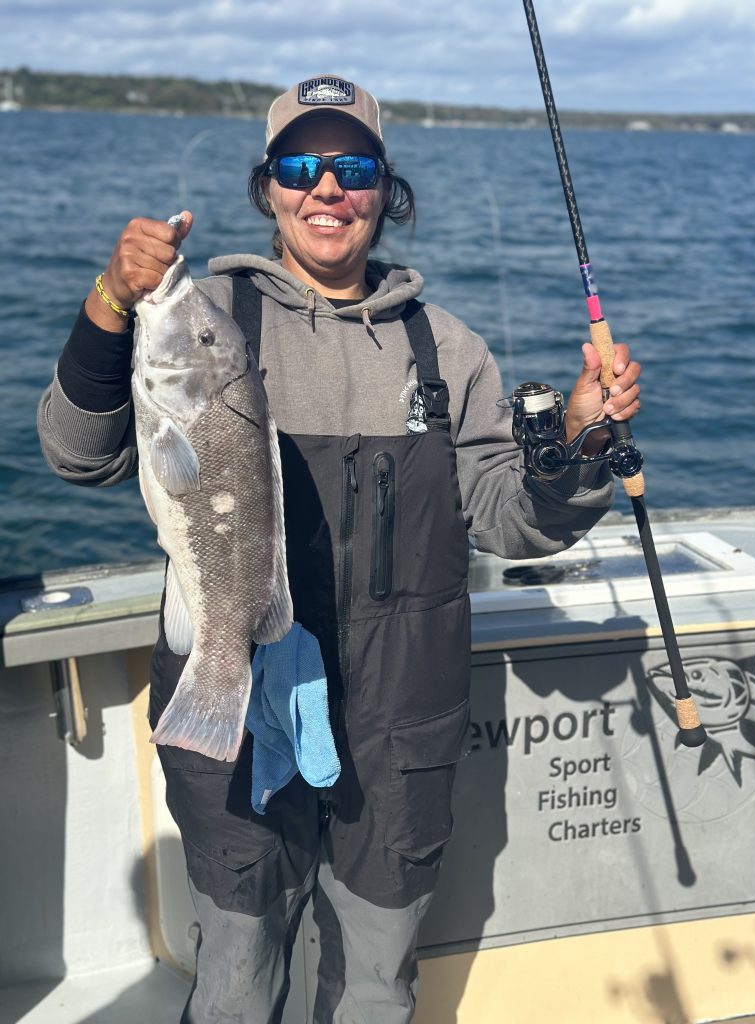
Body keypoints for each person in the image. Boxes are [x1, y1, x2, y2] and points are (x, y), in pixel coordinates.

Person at [37, 76, 641, 1023]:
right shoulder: (206, 314)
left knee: (375, 982)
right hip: (236, 707)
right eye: (300, 165)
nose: (327, 188)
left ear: (385, 189)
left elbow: (513, 522)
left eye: (353, 168)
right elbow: (77, 455)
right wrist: (112, 299)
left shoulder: (449, 352)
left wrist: (579, 443)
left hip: (402, 728)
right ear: (268, 187)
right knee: (236, 975)